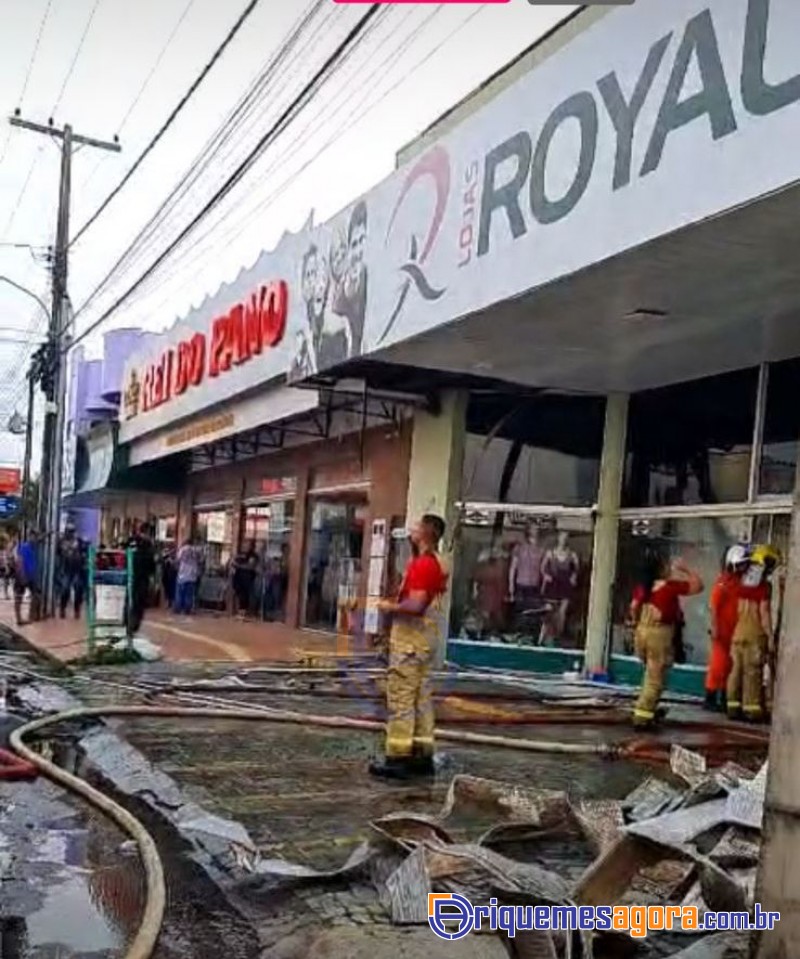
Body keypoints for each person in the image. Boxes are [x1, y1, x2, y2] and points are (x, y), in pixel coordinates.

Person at [369, 513, 448, 780]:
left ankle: (398, 757)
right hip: (424, 642)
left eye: (415, 527)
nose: (411, 531)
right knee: (421, 700)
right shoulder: (436, 563)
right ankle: (422, 755)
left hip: (410, 643)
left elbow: (416, 605)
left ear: (425, 533)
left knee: (401, 698)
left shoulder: (423, 565)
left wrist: (389, 606)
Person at [629, 553, 703, 728]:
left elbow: (633, 607)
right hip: (659, 635)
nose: (669, 568)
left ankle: (647, 710)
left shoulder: (642, 588)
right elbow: (698, 586)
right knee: (656, 678)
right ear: (660, 569)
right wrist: (686, 569)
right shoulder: (668, 588)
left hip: (641, 632)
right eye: (666, 565)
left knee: (649, 674)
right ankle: (643, 717)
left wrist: (635, 624)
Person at [726, 544, 778, 722]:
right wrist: (770, 637)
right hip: (755, 635)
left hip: (737, 633)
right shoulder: (764, 587)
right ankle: (752, 710)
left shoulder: (739, 582)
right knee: (752, 672)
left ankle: (732, 706)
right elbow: (764, 613)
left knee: (735, 671)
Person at [705, 544, 750, 712]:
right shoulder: (723, 583)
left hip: (735, 629)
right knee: (719, 664)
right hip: (722, 630)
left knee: (730, 666)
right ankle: (710, 698)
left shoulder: (741, 582)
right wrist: (715, 627)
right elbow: (714, 607)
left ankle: (725, 698)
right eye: (741, 564)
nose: (744, 567)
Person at [126, 524, 156, 636]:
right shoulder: (148, 544)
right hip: (142, 577)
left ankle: (128, 623)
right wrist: (153, 578)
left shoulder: (131, 541)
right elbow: (151, 562)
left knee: (130, 600)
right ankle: (133, 625)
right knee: (139, 602)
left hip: (130, 575)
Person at [57, 525, 87, 619]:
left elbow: (84, 550)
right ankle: (62, 608)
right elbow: (58, 553)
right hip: (66, 569)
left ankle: (77, 610)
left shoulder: (78, 541)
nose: (70, 533)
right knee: (65, 590)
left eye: (71, 531)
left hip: (77, 569)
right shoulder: (61, 542)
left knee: (78, 589)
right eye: (68, 531)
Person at [13, 529, 40, 626]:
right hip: (22, 575)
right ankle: (19, 619)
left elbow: (41, 539)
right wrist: (22, 576)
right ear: (30, 536)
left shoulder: (34, 547)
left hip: (31, 576)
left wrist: (49, 533)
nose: (35, 539)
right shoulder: (24, 547)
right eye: (34, 536)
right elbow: (20, 562)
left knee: (36, 595)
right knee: (18, 597)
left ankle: (30, 616)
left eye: (36, 537)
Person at [174, 538, 200, 616]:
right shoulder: (196, 551)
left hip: (182, 574)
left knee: (180, 593)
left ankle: (178, 608)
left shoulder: (182, 550)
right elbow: (200, 560)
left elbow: (177, 560)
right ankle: (187, 609)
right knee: (189, 594)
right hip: (192, 575)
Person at [232, 540, 258, 618]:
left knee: (245, 594)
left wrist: (238, 565)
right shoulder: (240, 554)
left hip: (247, 577)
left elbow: (250, 566)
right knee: (239, 593)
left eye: (247, 545)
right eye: (244, 544)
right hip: (238, 577)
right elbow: (233, 561)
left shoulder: (253, 555)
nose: (245, 546)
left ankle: (244, 612)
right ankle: (239, 610)